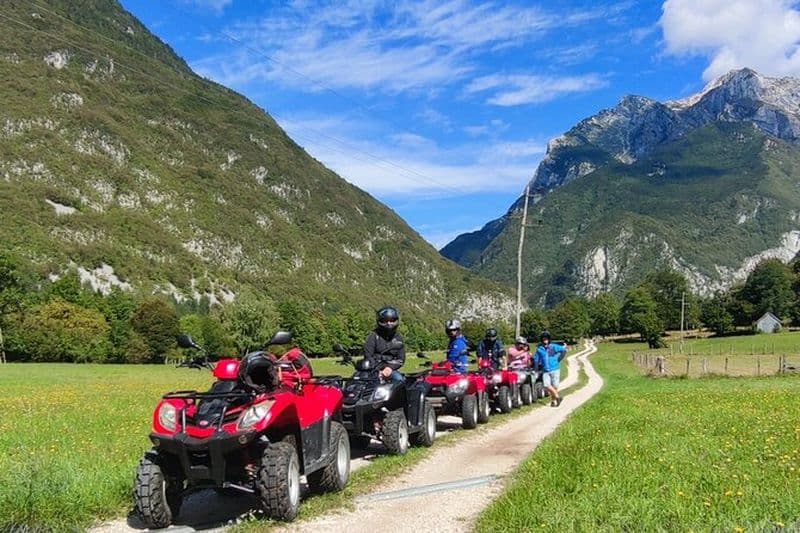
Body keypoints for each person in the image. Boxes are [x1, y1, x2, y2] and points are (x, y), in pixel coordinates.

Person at [363, 306, 406, 383]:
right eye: (385, 321)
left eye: (392, 320)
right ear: (380, 321)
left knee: (400, 381)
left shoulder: (398, 338)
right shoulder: (373, 336)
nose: (389, 323)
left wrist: (389, 368)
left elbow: (401, 359)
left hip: (391, 369)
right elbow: (368, 355)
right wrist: (378, 369)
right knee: (357, 381)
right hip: (373, 368)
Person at [534, 330, 567, 407]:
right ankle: (558, 397)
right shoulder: (539, 349)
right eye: (543, 338)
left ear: (549, 339)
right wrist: (535, 369)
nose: (545, 340)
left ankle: (553, 401)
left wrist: (559, 359)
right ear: (541, 339)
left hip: (555, 368)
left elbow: (563, 350)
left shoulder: (553, 346)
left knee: (555, 386)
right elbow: (536, 360)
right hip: (545, 370)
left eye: (546, 338)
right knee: (546, 385)